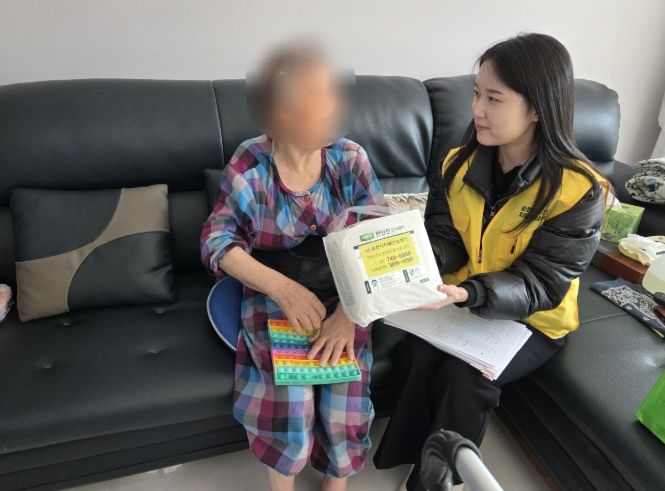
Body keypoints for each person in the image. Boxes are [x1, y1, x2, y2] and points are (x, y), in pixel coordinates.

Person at [373, 33, 611, 490]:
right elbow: (447, 239)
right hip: (465, 300)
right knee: (417, 352)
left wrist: (471, 293)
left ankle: (438, 481)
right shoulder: (457, 164)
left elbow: (543, 283)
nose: (476, 110)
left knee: (465, 375)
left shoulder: (579, 190)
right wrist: (416, 259)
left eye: (494, 99)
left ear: (537, 107)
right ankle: (412, 459)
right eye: (476, 94)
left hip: (535, 319)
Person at [200, 42, 386, 491]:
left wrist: (348, 315)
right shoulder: (251, 163)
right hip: (273, 294)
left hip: (345, 293)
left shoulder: (350, 159)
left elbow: (379, 244)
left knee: (344, 400)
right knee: (291, 403)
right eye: (316, 97)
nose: (332, 107)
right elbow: (216, 240)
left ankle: (335, 485)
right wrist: (282, 289)